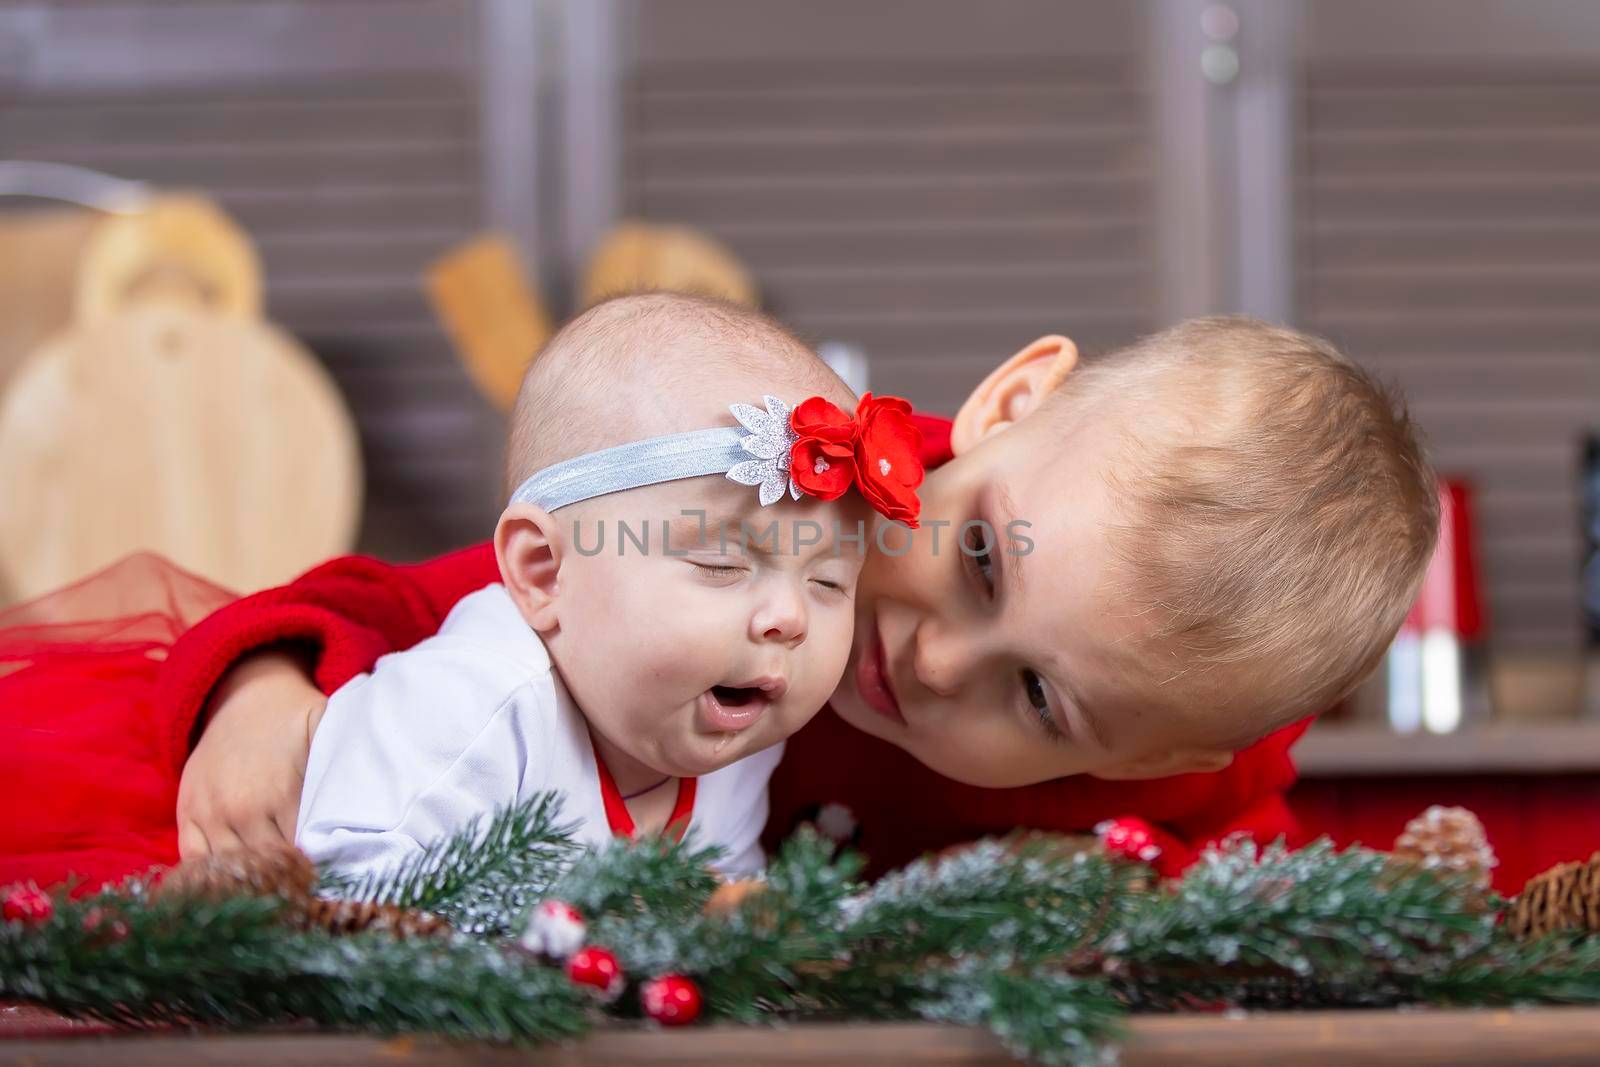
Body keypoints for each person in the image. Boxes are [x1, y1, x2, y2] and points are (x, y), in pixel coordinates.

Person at [1, 314, 1436, 887]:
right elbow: (459, 589)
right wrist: (270, 684)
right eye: (984, 555)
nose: (932, 655)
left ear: (1138, 756)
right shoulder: (779, 497)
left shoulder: (1191, 758)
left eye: (1039, 697)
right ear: (1006, 403)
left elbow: (1259, 894)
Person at [297, 293, 908, 879]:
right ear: (545, 571)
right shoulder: (473, 705)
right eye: (723, 564)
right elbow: (348, 899)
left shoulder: (736, 747)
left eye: (829, 581)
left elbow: (719, 915)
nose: (790, 617)